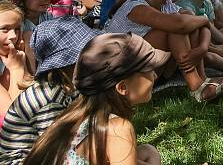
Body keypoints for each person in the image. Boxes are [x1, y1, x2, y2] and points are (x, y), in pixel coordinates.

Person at [22, 32, 168, 164]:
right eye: (149, 69)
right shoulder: (118, 129)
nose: (155, 75)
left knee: (148, 151)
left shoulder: (74, 115)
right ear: (122, 87)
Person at [104, 0, 223, 103]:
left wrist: (203, 47)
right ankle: (196, 87)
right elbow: (180, 24)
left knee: (188, 23)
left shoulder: (166, 5)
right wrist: (203, 20)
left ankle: (202, 79)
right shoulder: (135, 6)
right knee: (176, 26)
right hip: (125, 74)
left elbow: (194, 22)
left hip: (153, 69)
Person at [0, 17, 98, 165]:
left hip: (53, 154)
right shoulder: (48, 99)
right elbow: (59, 149)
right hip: (28, 160)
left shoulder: (71, 87)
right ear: (70, 63)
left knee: (145, 151)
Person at [0, 0, 29, 123]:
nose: (13, 36)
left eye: (17, 29)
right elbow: (13, 118)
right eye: (4, 29)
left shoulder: (10, 58)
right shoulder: (14, 63)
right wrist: (16, 69)